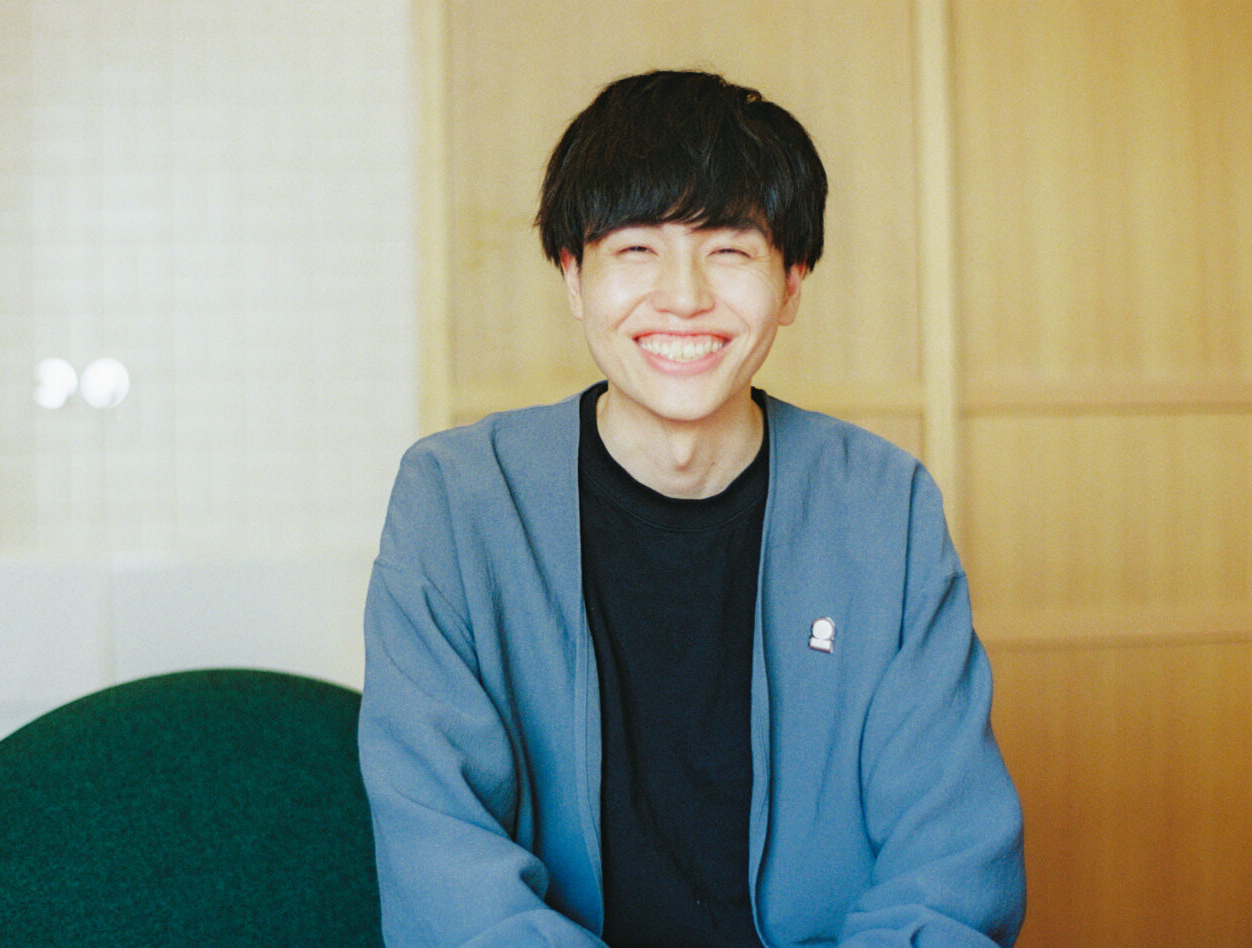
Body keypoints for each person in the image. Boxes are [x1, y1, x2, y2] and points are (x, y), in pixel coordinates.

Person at [358, 70, 1025, 946]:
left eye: (730, 250)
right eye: (636, 248)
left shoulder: (881, 507)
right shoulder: (457, 501)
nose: (683, 296)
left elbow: (950, 865)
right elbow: (444, 868)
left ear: (792, 282)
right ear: (573, 277)